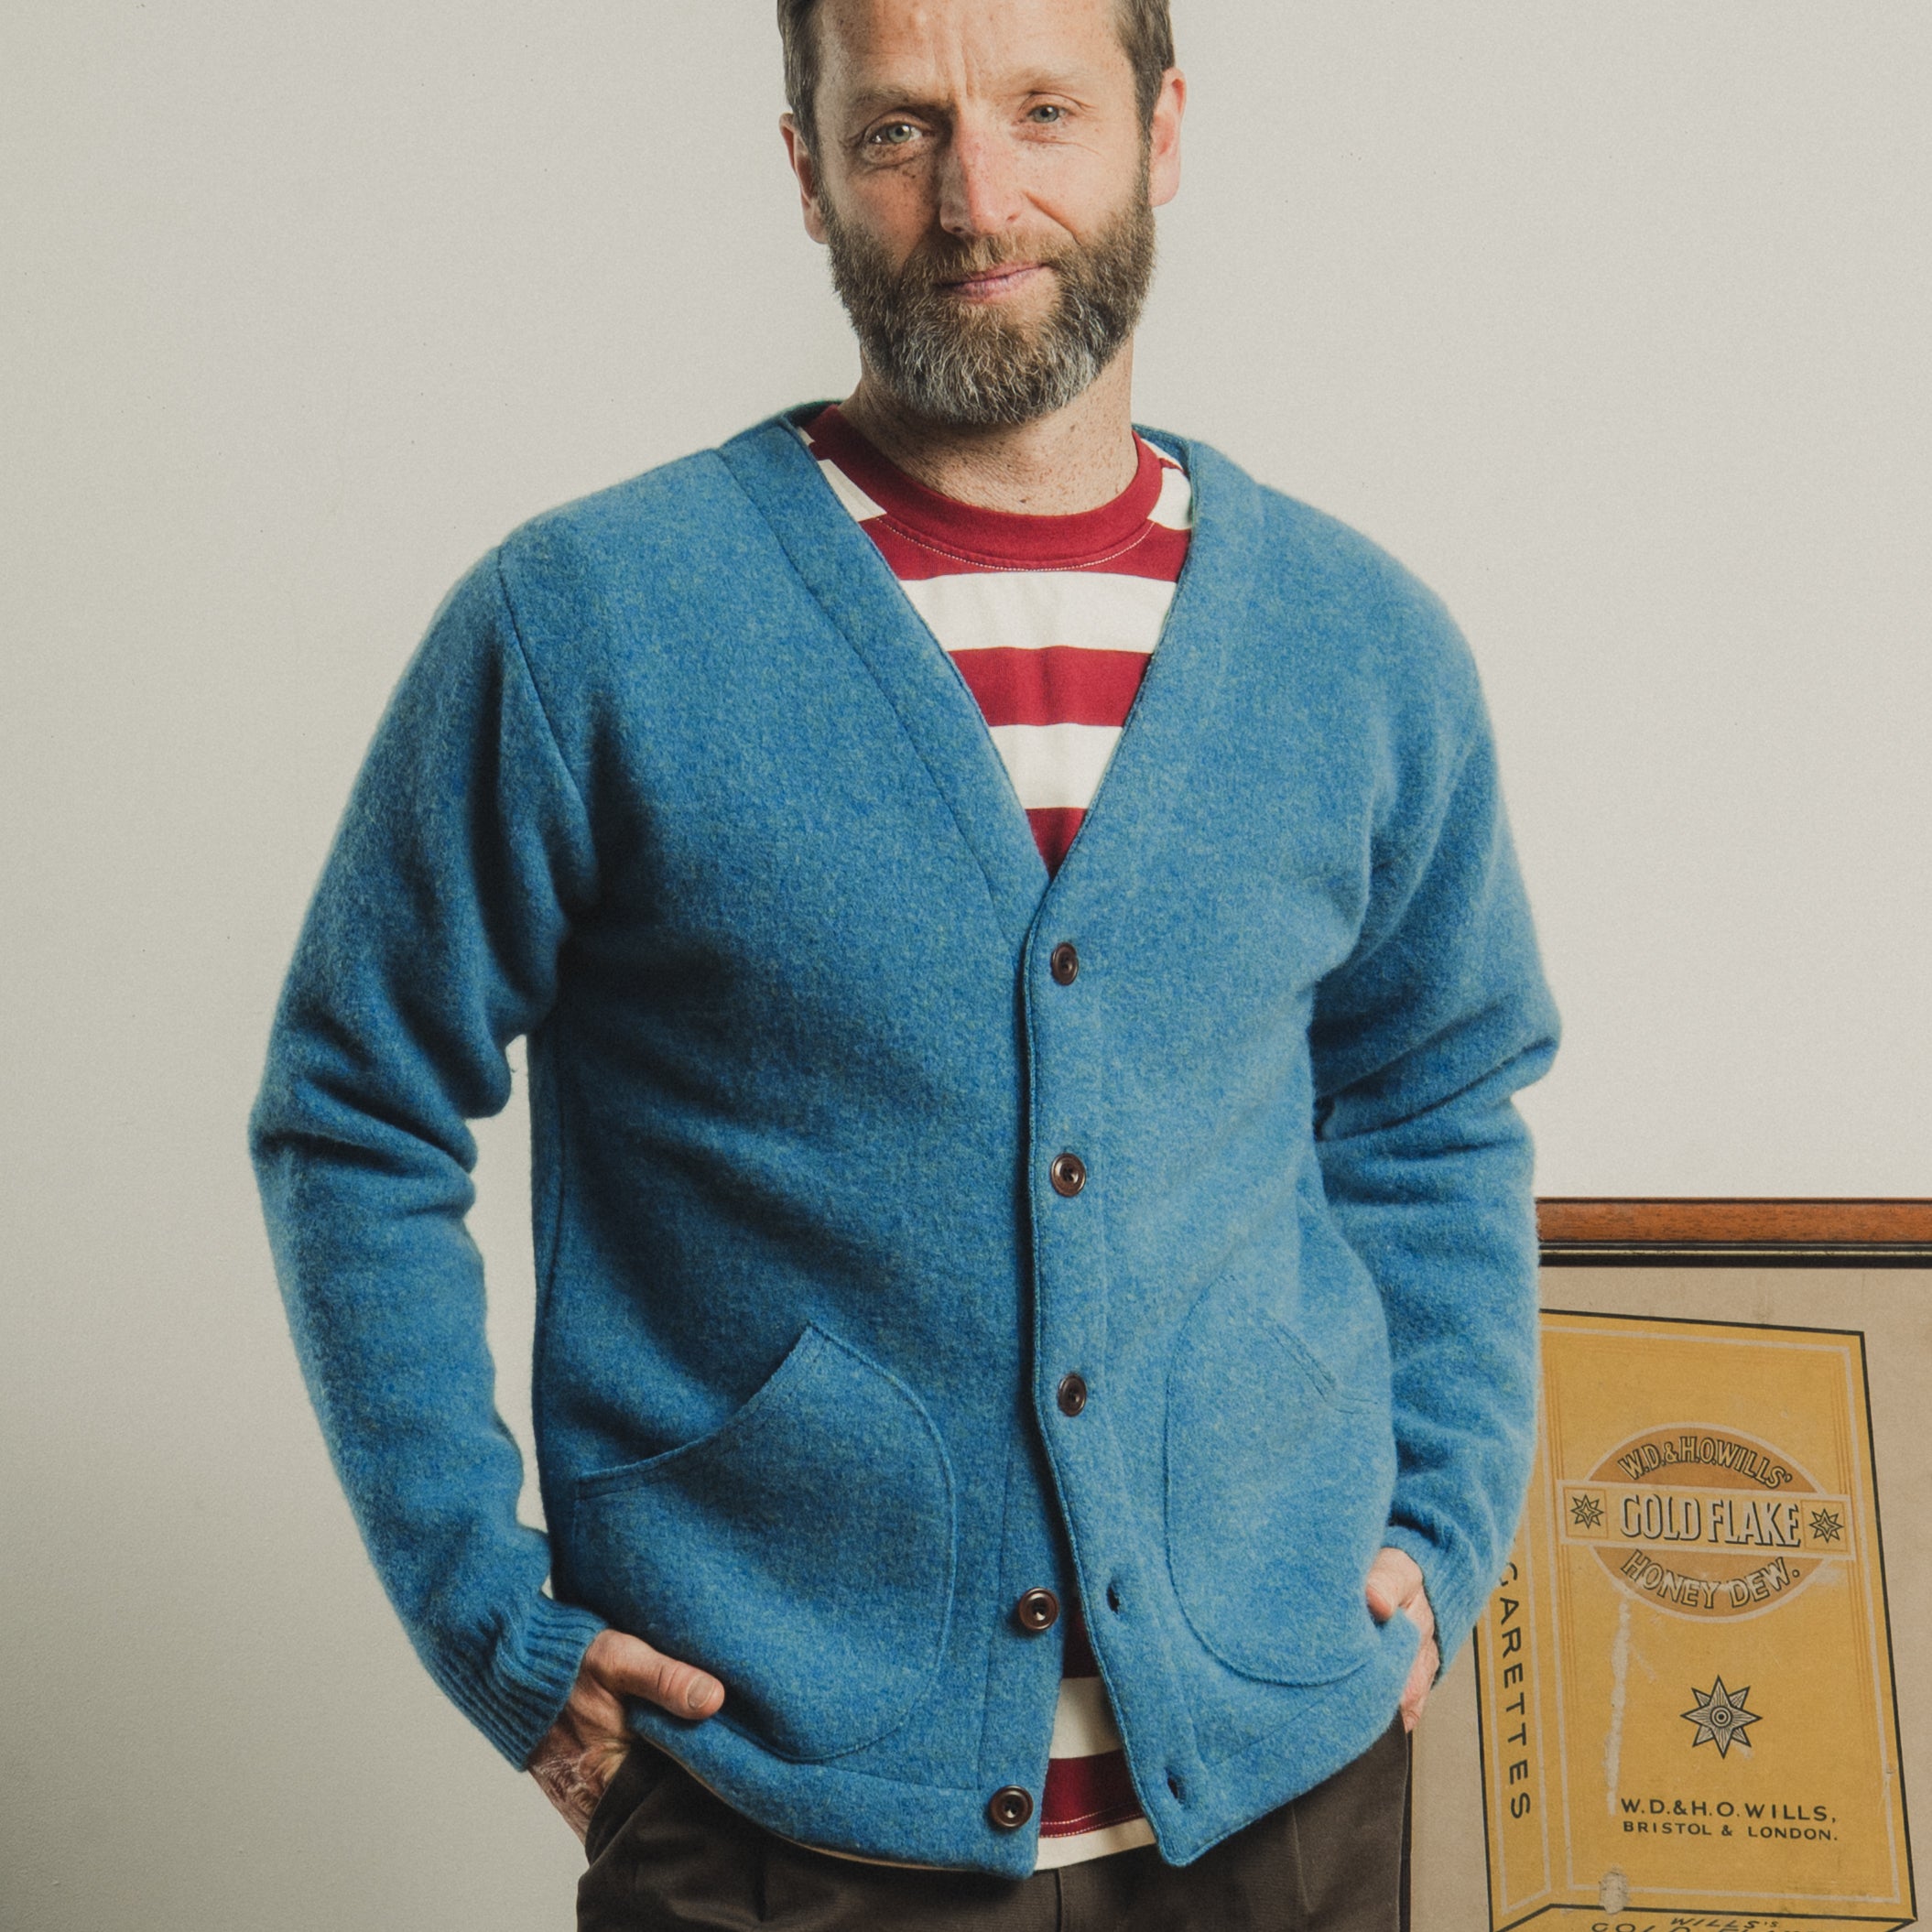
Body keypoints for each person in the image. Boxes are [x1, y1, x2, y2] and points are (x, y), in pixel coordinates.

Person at [249, 0, 1559, 1925]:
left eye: (1045, 112)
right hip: (770, 1804)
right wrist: (484, 1607)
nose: (977, 194)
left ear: (1160, 129)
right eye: (897, 129)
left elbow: (1436, 1099)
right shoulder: (589, 623)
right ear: (803, 162)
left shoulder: (1360, 647)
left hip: (1280, 1796)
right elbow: (352, 1108)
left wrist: (1443, 1520)